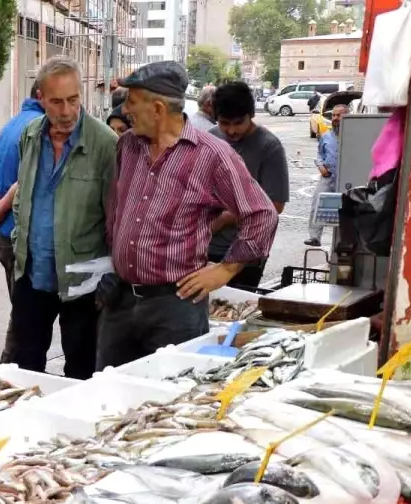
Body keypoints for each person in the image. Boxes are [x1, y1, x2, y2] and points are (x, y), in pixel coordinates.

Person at [97, 62, 277, 370]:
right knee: (108, 395)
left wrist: (225, 270)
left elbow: (262, 214)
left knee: (171, 398)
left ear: (157, 109)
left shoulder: (212, 155)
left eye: (132, 102)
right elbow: (117, 210)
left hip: (175, 306)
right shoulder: (128, 145)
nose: (125, 110)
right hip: (121, 301)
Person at [0, 57, 117, 380]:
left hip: (82, 279)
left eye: (73, 100)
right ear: (41, 98)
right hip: (32, 272)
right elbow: (24, 194)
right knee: (26, 365)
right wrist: (18, 240)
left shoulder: (105, 144)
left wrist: (108, 280)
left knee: (80, 368)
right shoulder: (31, 135)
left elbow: (116, 219)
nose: (66, 111)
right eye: (56, 102)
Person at [0, 81, 43, 363]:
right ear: (44, 96)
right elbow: (26, 176)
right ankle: (11, 368)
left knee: (22, 308)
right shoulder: (40, 127)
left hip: (2, 234)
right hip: (20, 232)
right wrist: (2, 208)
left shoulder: (9, 126)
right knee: (26, 315)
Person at [208, 81, 289, 291]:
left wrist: (226, 218)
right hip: (206, 246)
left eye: (238, 122)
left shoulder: (269, 147)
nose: (232, 130)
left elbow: (276, 205)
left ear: (251, 114)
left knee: (235, 307)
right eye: (225, 123)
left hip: (247, 250)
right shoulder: (209, 139)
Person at [307, 104, 347, 247]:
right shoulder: (325, 136)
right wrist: (320, 166)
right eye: (334, 115)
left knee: (344, 210)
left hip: (345, 179)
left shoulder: (352, 136)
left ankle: (344, 241)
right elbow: (319, 154)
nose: (335, 118)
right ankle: (314, 237)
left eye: (339, 115)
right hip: (327, 176)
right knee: (318, 202)